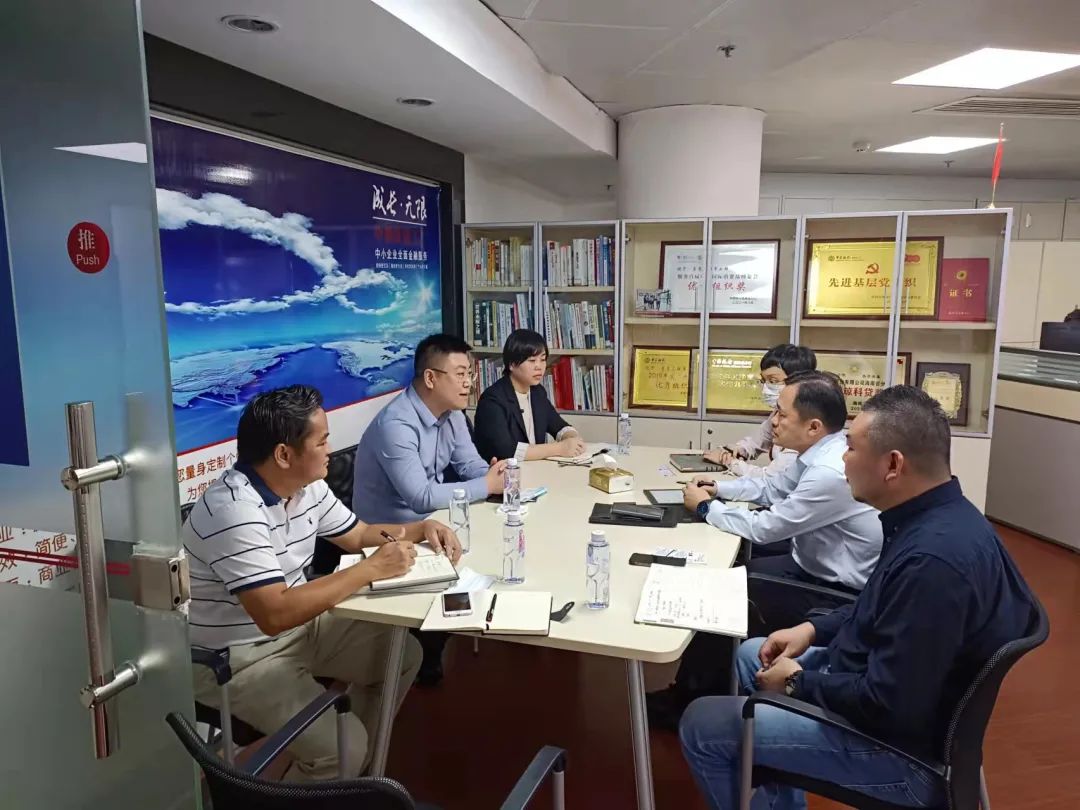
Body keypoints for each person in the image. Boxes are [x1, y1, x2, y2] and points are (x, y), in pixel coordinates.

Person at [679, 385, 1038, 810]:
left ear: (893, 465)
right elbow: (879, 606)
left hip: (903, 756)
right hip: (881, 685)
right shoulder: (936, 517)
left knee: (703, 725)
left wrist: (797, 682)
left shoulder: (933, 563)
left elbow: (889, 705)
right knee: (751, 655)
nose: (843, 459)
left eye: (850, 448)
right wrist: (813, 629)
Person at [185, 385, 462, 780]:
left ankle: (349, 775)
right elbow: (274, 614)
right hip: (239, 657)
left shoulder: (306, 486)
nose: (330, 449)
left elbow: (357, 534)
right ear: (284, 455)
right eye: (322, 441)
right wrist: (369, 570)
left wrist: (420, 528)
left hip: (301, 627)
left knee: (401, 656)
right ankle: (337, 769)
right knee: (343, 748)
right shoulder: (233, 510)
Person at [647, 372, 882, 729]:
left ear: (813, 426)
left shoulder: (828, 471)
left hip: (834, 590)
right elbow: (771, 488)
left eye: (781, 414)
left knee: (722, 594)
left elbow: (766, 527)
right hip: (810, 564)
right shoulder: (819, 453)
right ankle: (705, 683)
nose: (773, 421)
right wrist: (719, 488)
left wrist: (706, 507)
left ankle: (690, 697)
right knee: (734, 572)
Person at [352, 333, 507, 685]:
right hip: (389, 535)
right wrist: (487, 486)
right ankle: (422, 652)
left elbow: (469, 465)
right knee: (475, 567)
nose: (469, 383)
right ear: (431, 378)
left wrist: (495, 473)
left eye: (470, 374)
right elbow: (420, 497)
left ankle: (442, 638)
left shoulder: (452, 414)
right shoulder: (396, 424)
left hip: (433, 524)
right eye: (460, 374)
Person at [703, 344, 816, 479]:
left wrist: (729, 462)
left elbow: (772, 477)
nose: (766, 387)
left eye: (773, 381)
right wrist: (739, 450)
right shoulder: (778, 412)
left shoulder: (806, 419)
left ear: (799, 380)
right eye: (764, 381)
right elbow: (760, 439)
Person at [472, 328, 587, 462]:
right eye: (532, 360)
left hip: (533, 469)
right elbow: (506, 451)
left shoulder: (537, 392)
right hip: (502, 471)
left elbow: (559, 426)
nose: (539, 366)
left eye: (542, 359)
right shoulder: (492, 400)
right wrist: (560, 448)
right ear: (512, 364)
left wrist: (571, 437)